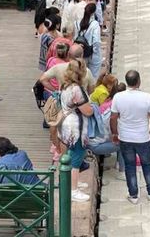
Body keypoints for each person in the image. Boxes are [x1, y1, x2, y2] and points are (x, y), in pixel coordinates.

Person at [110, 70, 150, 204]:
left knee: (130, 165)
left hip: (125, 137)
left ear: (127, 82)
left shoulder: (118, 97)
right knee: (147, 164)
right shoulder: (147, 97)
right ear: (139, 81)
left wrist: (115, 133)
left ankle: (133, 195)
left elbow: (113, 118)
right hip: (142, 138)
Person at [58, 60, 94, 202]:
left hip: (66, 123)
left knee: (71, 153)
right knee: (77, 156)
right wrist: (92, 109)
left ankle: (73, 182)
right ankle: (73, 190)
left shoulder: (65, 86)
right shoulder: (76, 90)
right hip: (76, 126)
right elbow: (87, 111)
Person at [74, 3, 102, 78]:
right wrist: (95, 52)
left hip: (81, 52)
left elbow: (75, 37)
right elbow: (96, 41)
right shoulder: (95, 24)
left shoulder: (77, 22)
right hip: (92, 54)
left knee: (83, 75)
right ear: (93, 12)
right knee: (93, 76)